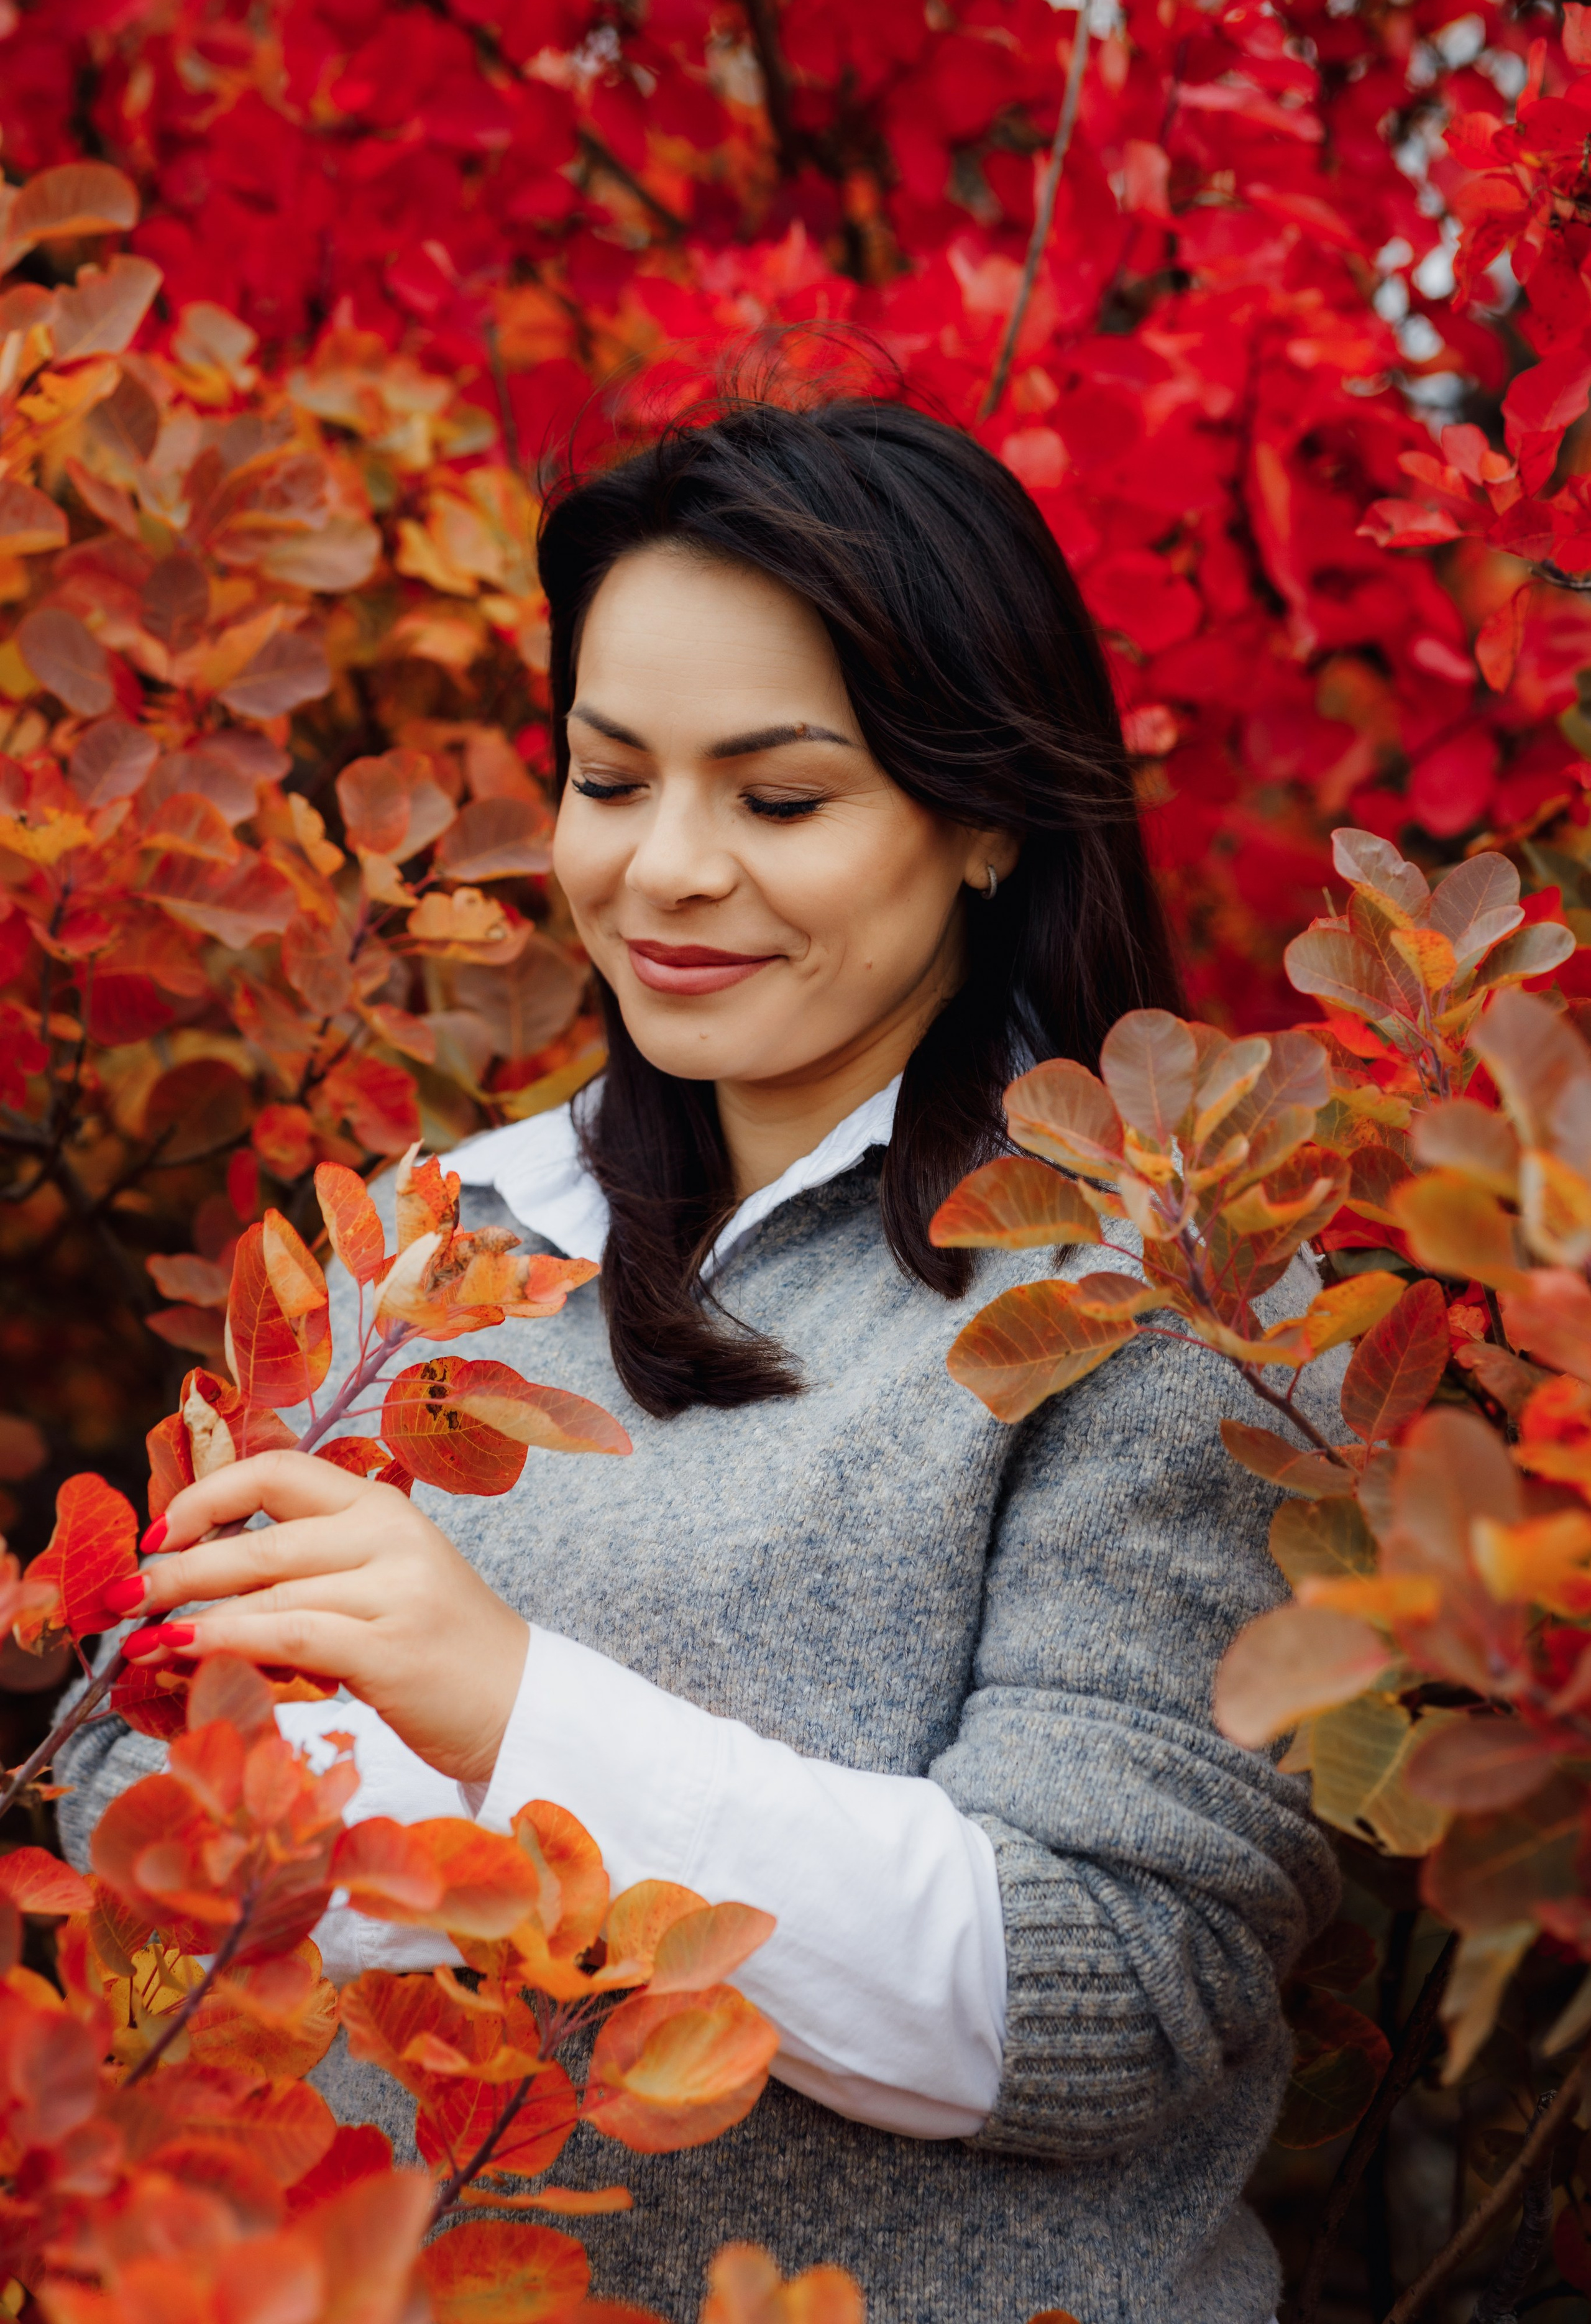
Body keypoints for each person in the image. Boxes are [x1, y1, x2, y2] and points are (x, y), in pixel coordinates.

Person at [60, 399, 1334, 2323]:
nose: (661, 870)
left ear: (986, 814)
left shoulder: (1150, 1298)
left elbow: (1118, 1986)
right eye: (608, 778)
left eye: (779, 799)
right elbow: (130, 1799)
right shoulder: (429, 1248)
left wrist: (506, 1707)